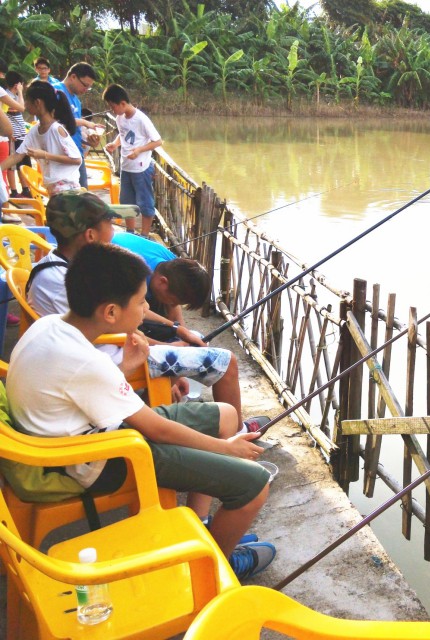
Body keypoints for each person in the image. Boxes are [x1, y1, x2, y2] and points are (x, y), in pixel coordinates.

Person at [6, 240, 276, 579]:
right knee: (255, 485)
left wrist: (125, 366)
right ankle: (211, 570)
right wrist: (227, 449)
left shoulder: (48, 326)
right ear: (110, 312)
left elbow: (77, 389)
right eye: (140, 301)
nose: (146, 307)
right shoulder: (88, 363)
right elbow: (156, 430)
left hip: (84, 434)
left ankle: (202, 528)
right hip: (96, 459)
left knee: (226, 415)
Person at [28, 193, 261, 433]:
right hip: (111, 358)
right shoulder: (61, 279)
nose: (114, 232)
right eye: (110, 224)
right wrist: (168, 347)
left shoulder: (76, 270)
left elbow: (126, 317)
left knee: (188, 344)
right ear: (91, 235)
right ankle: (238, 433)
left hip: (113, 350)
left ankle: (209, 420)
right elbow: (111, 330)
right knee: (227, 362)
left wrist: (176, 335)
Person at [0, 81, 81, 195]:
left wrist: (44, 155)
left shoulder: (56, 129)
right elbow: (17, 155)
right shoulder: (35, 130)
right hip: (53, 189)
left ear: (37, 103)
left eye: (27, 100)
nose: (25, 105)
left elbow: (77, 159)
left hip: (67, 189)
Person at [103, 84, 162, 236]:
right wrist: (115, 144)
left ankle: (145, 235)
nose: (112, 110)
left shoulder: (141, 119)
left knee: (145, 203)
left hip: (141, 168)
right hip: (126, 167)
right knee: (127, 202)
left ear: (122, 103)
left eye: (112, 106)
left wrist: (139, 150)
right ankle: (130, 232)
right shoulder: (119, 118)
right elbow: (123, 134)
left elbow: (158, 141)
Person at [55, 62, 101, 189]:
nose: (85, 90)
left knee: (83, 194)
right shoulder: (55, 91)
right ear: (73, 77)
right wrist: (86, 122)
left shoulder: (76, 100)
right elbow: (55, 121)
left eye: (89, 87)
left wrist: (88, 141)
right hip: (63, 156)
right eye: (85, 85)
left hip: (77, 154)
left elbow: (74, 130)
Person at [3, 71, 31, 197]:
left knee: (24, 163)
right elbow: (21, 107)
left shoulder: (12, 96)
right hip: (12, 136)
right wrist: (20, 92)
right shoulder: (6, 96)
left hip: (20, 134)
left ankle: (26, 189)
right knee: (12, 165)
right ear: (17, 84)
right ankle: (13, 191)